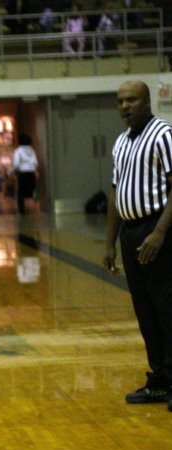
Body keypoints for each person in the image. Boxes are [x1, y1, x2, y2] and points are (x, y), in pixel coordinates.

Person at [103, 81, 172, 411]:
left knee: (167, 308)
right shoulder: (120, 142)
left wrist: (159, 233)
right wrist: (110, 243)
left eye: (131, 100)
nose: (124, 106)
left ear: (147, 102)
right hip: (131, 233)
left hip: (158, 229)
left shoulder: (164, 135)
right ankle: (159, 380)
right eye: (120, 101)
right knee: (146, 311)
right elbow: (116, 194)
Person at [12, 134, 39, 214]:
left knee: (21, 193)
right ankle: (35, 206)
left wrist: (13, 171)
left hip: (22, 173)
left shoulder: (18, 151)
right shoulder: (32, 151)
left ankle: (22, 210)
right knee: (31, 190)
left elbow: (16, 163)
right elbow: (35, 163)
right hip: (31, 172)